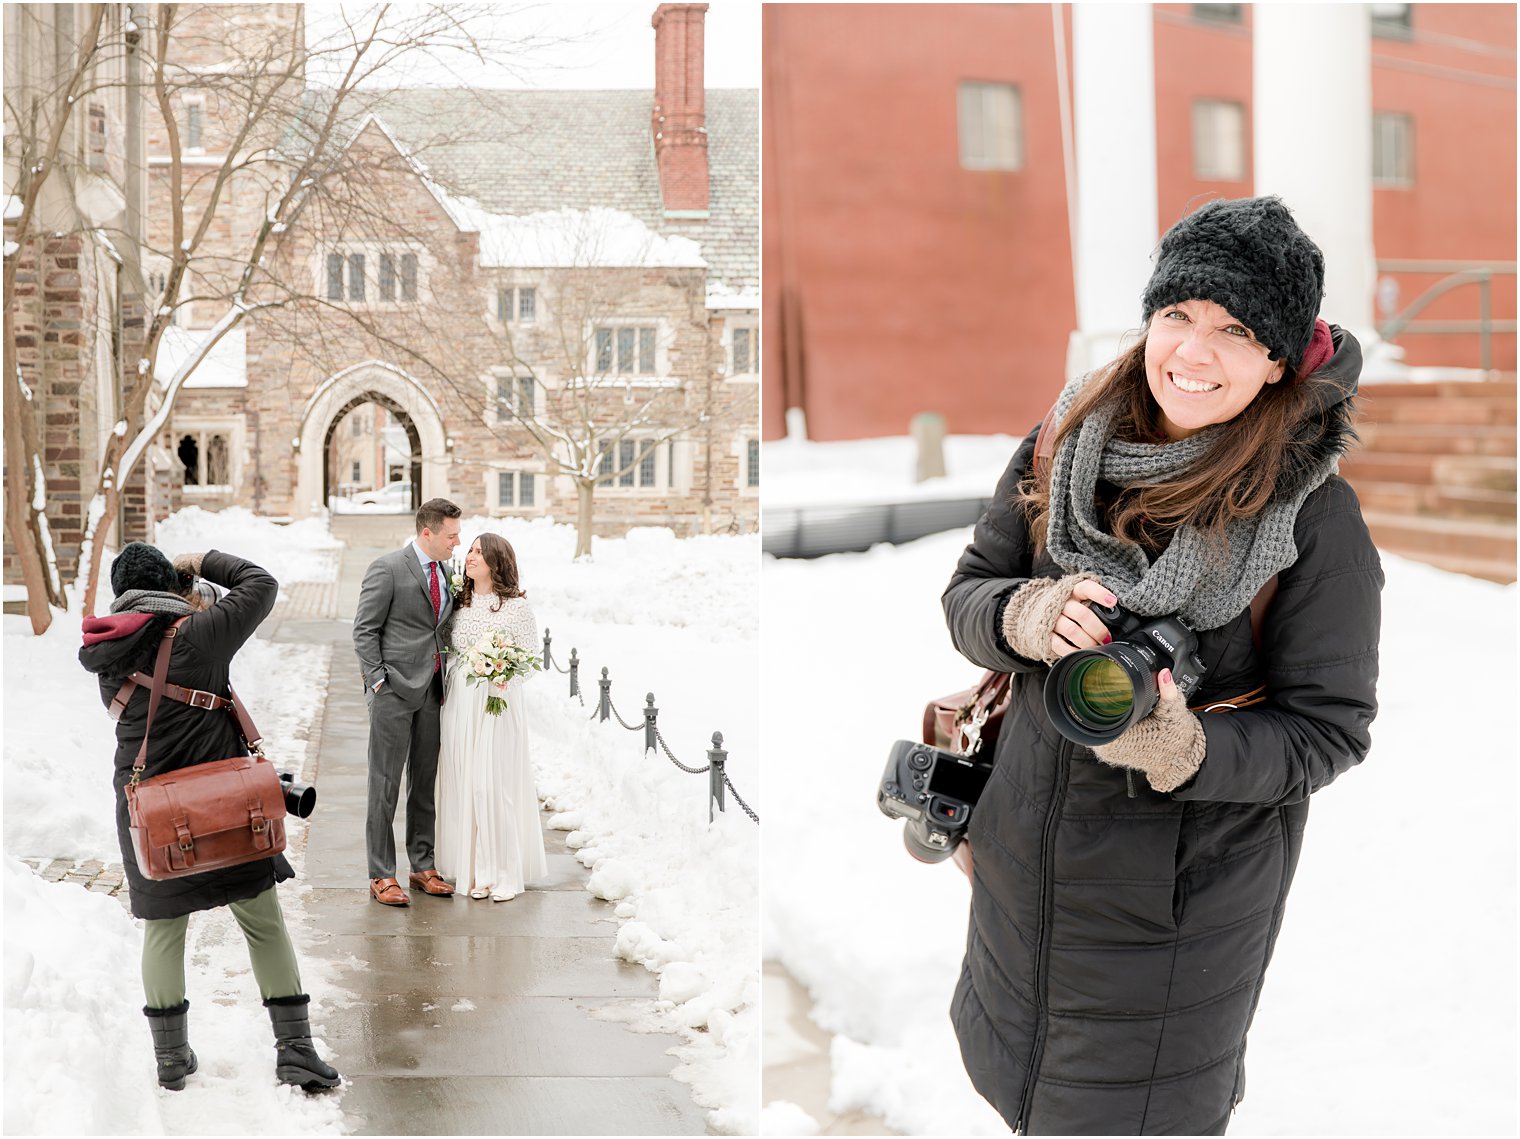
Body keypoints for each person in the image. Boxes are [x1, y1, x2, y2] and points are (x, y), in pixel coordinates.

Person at [942, 197, 1382, 1135]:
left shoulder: (1311, 515)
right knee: (1023, 1097)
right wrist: (1025, 613)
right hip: (1021, 879)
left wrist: (1189, 747)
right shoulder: (1063, 445)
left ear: (1277, 360)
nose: (1193, 349)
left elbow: (1329, 729)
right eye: (1177, 313)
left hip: (1174, 925)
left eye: (1235, 329)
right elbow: (968, 596)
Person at [79, 542, 340, 1092]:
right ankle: (295, 1050)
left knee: (163, 930)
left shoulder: (110, 652)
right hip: (222, 806)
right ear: (170, 587)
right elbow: (261, 583)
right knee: (263, 924)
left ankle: (171, 1058)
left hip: (149, 809)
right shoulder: (198, 634)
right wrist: (201, 562)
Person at [352, 497, 461, 906]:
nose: (457, 542)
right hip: (393, 693)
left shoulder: (447, 571)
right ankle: (381, 874)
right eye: (451, 536)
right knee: (384, 784)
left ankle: (422, 865)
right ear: (427, 532)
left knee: (424, 782)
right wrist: (378, 682)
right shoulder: (387, 568)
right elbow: (364, 630)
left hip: (433, 691)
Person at [435, 532, 549, 901]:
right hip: (461, 706)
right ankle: (475, 872)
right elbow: (450, 651)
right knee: (466, 784)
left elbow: (531, 660)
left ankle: (504, 872)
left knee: (493, 786)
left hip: (496, 706)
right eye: (469, 550)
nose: (469, 556)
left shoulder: (516, 608)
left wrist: (500, 674)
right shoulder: (459, 604)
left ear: (496, 563)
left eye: (479, 553)